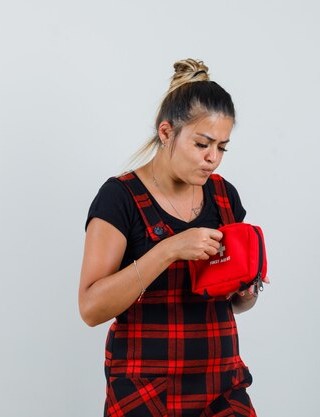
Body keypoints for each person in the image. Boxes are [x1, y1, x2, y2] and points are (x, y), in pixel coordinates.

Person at [79, 59, 261, 417]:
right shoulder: (120, 197)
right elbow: (90, 308)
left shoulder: (225, 197)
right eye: (202, 144)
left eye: (222, 147)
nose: (212, 159)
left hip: (220, 384)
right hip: (145, 391)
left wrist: (246, 290)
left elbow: (238, 303)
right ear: (166, 133)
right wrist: (169, 250)